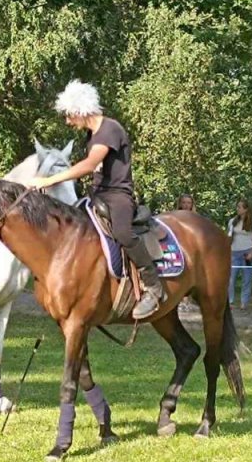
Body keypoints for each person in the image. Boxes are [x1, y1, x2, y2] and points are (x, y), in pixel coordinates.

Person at [31, 80, 166, 320]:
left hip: (118, 196)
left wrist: (49, 181)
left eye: (69, 116)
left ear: (79, 110)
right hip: (97, 197)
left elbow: (90, 164)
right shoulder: (92, 134)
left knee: (123, 233)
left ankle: (153, 286)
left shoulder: (110, 129)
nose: (68, 121)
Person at [227, 199, 252, 312]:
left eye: (240, 207)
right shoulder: (232, 221)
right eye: (237, 207)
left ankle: (244, 302)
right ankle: (230, 301)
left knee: (247, 279)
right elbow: (229, 238)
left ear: (246, 209)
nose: (238, 209)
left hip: (248, 252)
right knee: (231, 279)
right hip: (234, 252)